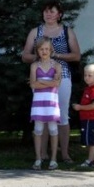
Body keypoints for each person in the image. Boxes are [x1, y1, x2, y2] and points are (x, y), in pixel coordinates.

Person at [21, 1, 81, 163]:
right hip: (40, 76)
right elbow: (25, 55)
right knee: (43, 114)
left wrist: (56, 56)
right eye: (46, 11)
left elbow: (76, 55)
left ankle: (65, 154)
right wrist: (40, 57)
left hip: (62, 76)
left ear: (59, 14)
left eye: (52, 11)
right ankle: (43, 154)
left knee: (62, 115)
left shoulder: (67, 31)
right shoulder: (36, 32)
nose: (48, 14)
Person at [29, 37, 63, 170]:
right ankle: (38, 158)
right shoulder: (34, 66)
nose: (44, 51)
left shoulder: (57, 66)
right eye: (41, 49)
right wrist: (50, 83)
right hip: (38, 103)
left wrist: (41, 81)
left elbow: (57, 83)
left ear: (51, 50)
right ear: (37, 51)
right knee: (38, 129)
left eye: (47, 49)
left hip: (52, 102)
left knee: (53, 129)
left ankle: (53, 159)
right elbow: (33, 84)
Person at [73, 64, 94, 169]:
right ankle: (91, 159)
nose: (86, 77)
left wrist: (80, 107)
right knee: (88, 140)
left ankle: (90, 160)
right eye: (85, 75)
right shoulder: (88, 89)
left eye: (90, 75)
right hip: (86, 119)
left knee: (91, 140)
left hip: (90, 119)